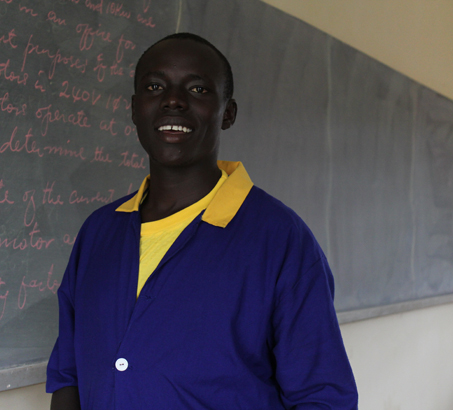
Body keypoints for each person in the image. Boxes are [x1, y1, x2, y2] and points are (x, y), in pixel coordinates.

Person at [47, 33, 358, 410]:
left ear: (228, 113)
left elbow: (321, 396)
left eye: (197, 88)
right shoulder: (100, 232)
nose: (173, 100)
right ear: (134, 108)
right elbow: (70, 374)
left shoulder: (279, 239)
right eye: (154, 86)